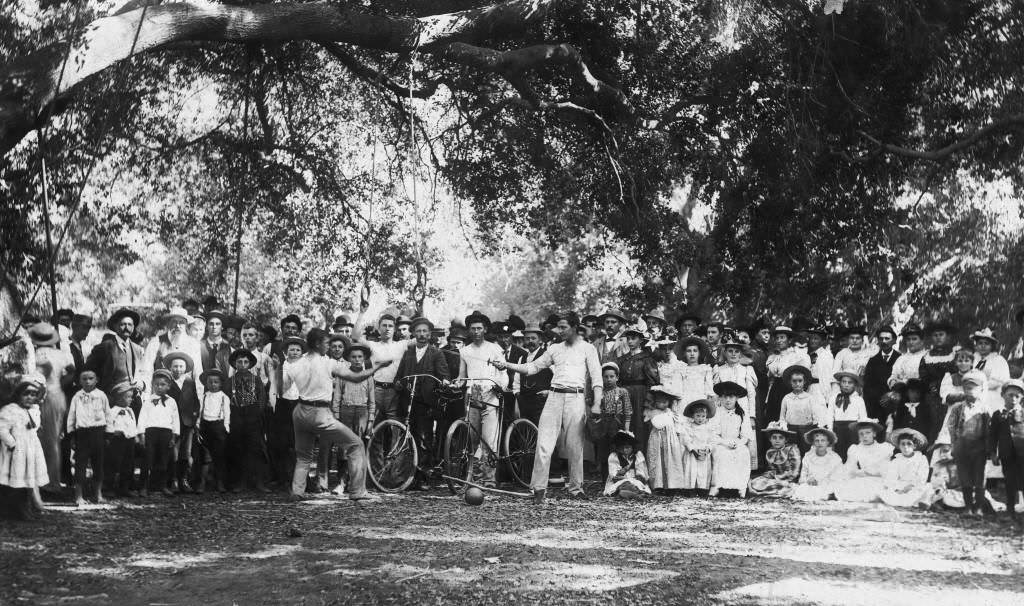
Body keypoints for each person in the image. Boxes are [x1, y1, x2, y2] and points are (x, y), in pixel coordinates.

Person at [494, 311, 603, 503]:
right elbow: (532, 367)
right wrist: (507, 365)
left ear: (575, 327)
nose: (559, 331)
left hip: (575, 398)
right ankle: (539, 489)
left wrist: (596, 403)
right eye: (558, 327)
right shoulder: (554, 348)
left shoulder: (588, 349)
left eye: (563, 327)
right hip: (553, 396)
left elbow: (596, 378)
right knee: (543, 445)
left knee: (574, 446)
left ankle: (576, 488)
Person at [282, 327, 390, 501]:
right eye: (326, 343)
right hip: (320, 413)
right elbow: (356, 377)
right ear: (317, 344)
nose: (329, 347)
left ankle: (297, 492)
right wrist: (377, 367)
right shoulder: (327, 362)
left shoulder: (296, 363)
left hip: (300, 411)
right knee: (356, 445)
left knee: (303, 456)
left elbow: (283, 389)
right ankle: (357, 491)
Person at [394, 317, 450, 489]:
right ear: (413, 334)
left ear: (430, 334)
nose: (422, 334)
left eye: (425, 331)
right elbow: (400, 374)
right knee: (408, 437)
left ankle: (423, 477)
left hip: (425, 403)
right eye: (418, 331)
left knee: (425, 439)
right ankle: (407, 476)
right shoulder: (408, 352)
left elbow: (444, 374)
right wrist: (398, 383)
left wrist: (445, 382)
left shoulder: (436, 353)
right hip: (407, 401)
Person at [28, 323, 75, 495]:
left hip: (44, 397)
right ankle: (48, 480)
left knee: (47, 440)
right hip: (57, 395)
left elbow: (44, 371)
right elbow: (71, 370)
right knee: (52, 439)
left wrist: (47, 388)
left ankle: (51, 482)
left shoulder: (38, 354)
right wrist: (60, 385)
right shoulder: (61, 354)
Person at [944, 369, 994, 516]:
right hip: (962, 446)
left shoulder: (985, 409)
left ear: (981, 389)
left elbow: (990, 430)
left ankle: (978, 507)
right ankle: (968, 508)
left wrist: (989, 449)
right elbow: (951, 426)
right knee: (964, 476)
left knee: (979, 477)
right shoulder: (958, 408)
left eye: (974, 388)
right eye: (967, 388)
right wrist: (954, 444)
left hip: (979, 447)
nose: (970, 391)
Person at [0, 375, 48, 520]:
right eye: (26, 394)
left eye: (33, 395)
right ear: (18, 394)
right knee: (14, 483)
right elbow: (1, 429)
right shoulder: (10, 410)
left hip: (30, 451)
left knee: (27, 481)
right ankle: (13, 511)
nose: (29, 397)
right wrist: (12, 443)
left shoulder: (34, 410)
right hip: (15, 453)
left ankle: (26, 509)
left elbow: (34, 427)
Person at [353, 309, 411, 423]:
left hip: (395, 392)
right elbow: (355, 336)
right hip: (376, 390)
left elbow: (421, 340)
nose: (387, 328)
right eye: (384, 325)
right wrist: (361, 313)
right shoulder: (373, 345)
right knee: (373, 426)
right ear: (379, 329)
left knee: (395, 426)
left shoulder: (402, 345)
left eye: (390, 326)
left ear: (394, 329)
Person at [87, 308, 147, 417]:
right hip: (111, 404)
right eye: (122, 324)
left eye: (130, 325)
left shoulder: (138, 350)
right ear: (115, 326)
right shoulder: (104, 348)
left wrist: (142, 384)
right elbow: (89, 374)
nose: (126, 328)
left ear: (133, 327)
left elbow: (144, 373)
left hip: (133, 404)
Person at [66, 370, 110, 506]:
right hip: (82, 434)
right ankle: (79, 496)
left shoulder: (101, 396)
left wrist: (108, 434)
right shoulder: (77, 397)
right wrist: (72, 436)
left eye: (91, 378)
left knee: (98, 464)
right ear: (80, 381)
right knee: (80, 465)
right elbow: (71, 417)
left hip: (98, 432)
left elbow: (108, 414)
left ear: (96, 380)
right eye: (84, 379)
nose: (87, 381)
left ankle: (98, 494)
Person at [228, 349, 269, 493]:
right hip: (236, 417)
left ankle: (259, 482)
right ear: (234, 364)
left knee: (256, 449)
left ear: (250, 364)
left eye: (246, 362)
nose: (243, 364)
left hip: (253, 417)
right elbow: (227, 400)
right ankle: (240, 482)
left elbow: (262, 399)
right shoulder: (230, 381)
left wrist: (257, 413)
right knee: (239, 449)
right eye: (239, 362)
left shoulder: (256, 380)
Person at [714, 338, 758, 469]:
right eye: (730, 351)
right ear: (725, 353)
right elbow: (716, 394)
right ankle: (726, 469)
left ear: (740, 354)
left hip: (742, 407)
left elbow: (751, 394)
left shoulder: (746, 370)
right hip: (724, 407)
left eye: (736, 351)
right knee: (726, 435)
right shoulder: (719, 369)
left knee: (745, 436)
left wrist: (751, 416)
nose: (733, 354)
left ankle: (746, 470)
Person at [137, 369, 180, 497]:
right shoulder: (148, 401)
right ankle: (143, 486)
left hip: (166, 433)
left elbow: (175, 419)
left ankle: (163, 486)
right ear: (152, 385)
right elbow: (142, 418)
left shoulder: (172, 402)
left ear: (168, 386)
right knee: (148, 459)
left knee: (164, 460)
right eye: (156, 384)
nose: (159, 387)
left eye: (162, 385)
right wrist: (142, 434)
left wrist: (174, 436)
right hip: (151, 433)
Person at [268, 336, 304, 490]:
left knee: (298, 443)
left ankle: (298, 479)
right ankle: (283, 477)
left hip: (300, 404)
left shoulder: (305, 367)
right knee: (282, 442)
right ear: (285, 352)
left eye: (297, 350)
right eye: (291, 350)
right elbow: (275, 388)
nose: (294, 352)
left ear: (302, 352)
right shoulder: (281, 367)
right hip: (283, 405)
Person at [616, 327, 658, 450]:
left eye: (633, 338)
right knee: (624, 424)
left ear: (640, 340)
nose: (630, 341)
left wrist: (648, 403)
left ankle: (639, 457)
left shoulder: (647, 359)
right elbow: (617, 379)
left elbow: (653, 383)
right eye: (628, 338)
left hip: (640, 395)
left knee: (639, 425)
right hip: (624, 394)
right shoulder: (622, 359)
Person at [141, 307, 202, 391]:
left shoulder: (193, 344)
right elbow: (146, 371)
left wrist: (200, 397)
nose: (177, 326)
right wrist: (147, 396)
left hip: (186, 394)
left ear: (186, 325)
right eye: (174, 322)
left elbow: (198, 372)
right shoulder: (156, 342)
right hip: (162, 393)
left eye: (181, 322)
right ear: (168, 323)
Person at [163, 352, 199, 493]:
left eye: (181, 366)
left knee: (186, 452)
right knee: (174, 453)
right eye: (175, 366)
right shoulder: (168, 382)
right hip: (173, 423)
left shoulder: (189, 381)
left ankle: (184, 479)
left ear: (185, 368)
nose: (178, 369)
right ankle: (173, 480)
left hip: (187, 422)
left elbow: (195, 401)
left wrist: (195, 416)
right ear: (170, 368)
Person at [834, 420, 893, 503]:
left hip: (878, 479)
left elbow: (886, 470)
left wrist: (869, 473)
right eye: (861, 434)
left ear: (874, 434)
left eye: (868, 433)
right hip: (862, 479)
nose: (864, 436)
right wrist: (855, 473)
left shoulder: (883, 448)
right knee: (847, 488)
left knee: (879, 491)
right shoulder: (855, 449)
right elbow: (850, 467)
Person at [711, 381, 753, 497]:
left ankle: (740, 487)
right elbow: (714, 433)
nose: (728, 400)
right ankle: (717, 486)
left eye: (731, 397)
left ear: (737, 398)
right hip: (721, 442)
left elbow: (745, 435)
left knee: (743, 452)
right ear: (721, 398)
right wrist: (724, 442)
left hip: (737, 443)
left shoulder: (742, 413)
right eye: (725, 397)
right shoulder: (717, 412)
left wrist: (738, 443)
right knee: (720, 453)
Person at [990, 379, 1024, 522]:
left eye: (1017, 396)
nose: (1014, 399)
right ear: (1003, 395)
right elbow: (993, 436)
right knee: (1010, 482)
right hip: (1006, 454)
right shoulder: (998, 414)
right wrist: (993, 453)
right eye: (1010, 395)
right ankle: (1010, 512)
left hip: (1023, 453)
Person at [764, 326, 811, 429]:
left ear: (789, 340)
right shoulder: (773, 357)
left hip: (789, 390)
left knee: (789, 420)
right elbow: (770, 379)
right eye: (777, 338)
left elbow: (804, 377)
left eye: (782, 337)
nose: (779, 341)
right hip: (774, 392)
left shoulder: (797, 356)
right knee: (773, 419)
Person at [593, 363, 632, 480]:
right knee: (604, 451)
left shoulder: (622, 392)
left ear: (617, 377)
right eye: (606, 377)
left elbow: (628, 410)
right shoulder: (600, 392)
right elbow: (595, 409)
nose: (609, 379)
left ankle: (619, 477)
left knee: (617, 450)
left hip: (617, 423)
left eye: (611, 376)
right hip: (604, 424)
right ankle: (605, 479)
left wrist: (626, 429)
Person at [645, 377, 684, 494]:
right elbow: (657, 424)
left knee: (670, 459)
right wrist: (667, 417)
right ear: (655, 401)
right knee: (658, 460)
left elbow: (677, 423)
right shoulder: (654, 412)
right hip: (658, 438)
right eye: (660, 401)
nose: (662, 404)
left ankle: (672, 485)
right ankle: (658, 484)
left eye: (665, 401)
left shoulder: (670, 412)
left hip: (670, 439)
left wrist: (677, 430)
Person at [778, 366, 827, 455]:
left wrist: (814, 429)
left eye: (800, 381)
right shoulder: (787, 398)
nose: (797, 384)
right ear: (790, 382)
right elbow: (782, 417)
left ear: (804, 382)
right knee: (792, 453)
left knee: (806, 452)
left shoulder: (810, 398)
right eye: (794, 381)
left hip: (806, 430)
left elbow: (815, 416)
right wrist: (784, 427)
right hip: (791, 430)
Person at [196, 369, 230, 493]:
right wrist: (198, 425)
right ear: (206, 383)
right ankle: (202, 483)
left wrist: (226, 428)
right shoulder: (204, 396)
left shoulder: (224, 397)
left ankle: (220, 483)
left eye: (216, 382)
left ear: (220, 383)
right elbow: (200, 412)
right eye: (210, 382)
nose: (213, 384)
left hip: (219, 427)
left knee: (219, 456)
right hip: (205, 427)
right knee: (205, 457)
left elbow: (227, 413)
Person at [880, 427, 930, 508]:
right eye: (902, 444)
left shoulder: (921, 459)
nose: (905, 447)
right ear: (899, 446)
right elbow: (891, 477)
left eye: (909, 444)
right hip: (900, 485)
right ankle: (900, 500)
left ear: (915, 446)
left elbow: (922, 476)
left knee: (927, 487)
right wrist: (897, 489)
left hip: (914, 486)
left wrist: (911, 486)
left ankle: (918, 501)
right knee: (887, 490)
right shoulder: (896, 461)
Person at [748, 421, 800, 497]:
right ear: (770, 439)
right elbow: (772, 470)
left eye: (781, 438)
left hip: (788, 479)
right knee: (756, 482)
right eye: (774, 437)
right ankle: (772, 491)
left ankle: (769, 492)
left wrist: (778, 478)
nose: (777, 440)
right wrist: (766, 476)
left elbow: (794, 472)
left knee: (788, 486)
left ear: (786, 440)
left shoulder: (792, 450)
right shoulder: (770, 452)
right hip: (776, 479)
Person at [514, 324, 553, 427]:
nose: (530, 341)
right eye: (527, 338)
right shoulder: (521, 358)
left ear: (539, 340)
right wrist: (517, 393)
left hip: (541, 403)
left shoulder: (547, 356)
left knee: (541, 430)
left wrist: (549, 392)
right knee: (525, 431)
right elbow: (517, 380)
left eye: (533, 338)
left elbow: (558, 376)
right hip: (524, 402)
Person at [790, 428, 843, 502]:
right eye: (817, 441)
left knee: (833, 490)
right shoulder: (808, 457)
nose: (820, 443)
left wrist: (823, 482)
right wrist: (808, 480)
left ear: (828, 442)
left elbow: (838, 477)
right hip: (812, 486)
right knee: (803, 490)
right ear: (813, 443)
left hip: (828, 485)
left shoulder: (835, 458)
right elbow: (803, 475)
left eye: (823, 440)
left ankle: (827, 495)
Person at [680, 399, 716, 496]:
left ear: (706, 416)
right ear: (693, 416)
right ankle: (690, 489)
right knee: (691, 470)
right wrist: (692, 449)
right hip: (693, 452)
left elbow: (712, 440)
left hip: (703, 452)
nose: (700, 419)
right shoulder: (689, 427)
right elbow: (685, 439)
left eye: (703, 416)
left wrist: (708, 449)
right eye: (698, 416)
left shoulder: (709, 428)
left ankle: (702, 489)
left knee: (703, 471)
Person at [862, 326, 899, 420]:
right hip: (876, 407)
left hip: (896, 405)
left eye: (887, 338)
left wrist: (891, 396)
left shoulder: (900, 359)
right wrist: (881, 398)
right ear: (878, 341)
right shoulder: (872, 361)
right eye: (881, 338)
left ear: (894, 340)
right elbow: (867, 386)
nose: (884, 341)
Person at [829, 371, 868, 459]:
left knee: (852, 456)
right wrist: (830, 432)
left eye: (850, 382)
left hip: (853, 432)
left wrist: (862, 434)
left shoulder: (858, 400)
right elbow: (830, 416)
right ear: (840, 383)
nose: (846, 385)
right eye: (844, 382)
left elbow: (863, 418)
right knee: (839, 455)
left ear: (854, 385)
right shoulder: (833, 398)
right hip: (838, 430)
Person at [603, 430, 650, 498]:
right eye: (622, 448)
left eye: (627, 447)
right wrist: (623, 471)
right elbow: (613, 475)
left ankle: (631, 493)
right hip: (619, 481)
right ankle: (635, 494)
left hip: (635, 480)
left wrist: (636, 477)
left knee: (634, 485)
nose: (625, 450)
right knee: (624, 485)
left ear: (632, 447)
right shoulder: (614, 456)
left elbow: (642, 473)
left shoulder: (638, 455)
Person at [830, 326, 872, 395]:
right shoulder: (842, 353)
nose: (854, 341)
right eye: (852, 338)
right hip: (844, 390)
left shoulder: (868, 354)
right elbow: (834, 375)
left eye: (858, 338)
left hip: (862, 391)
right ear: (848, 339)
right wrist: (836, 393)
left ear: (862, 340)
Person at [972, 328, 1010, 395]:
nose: (983, 346)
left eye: (986, 343)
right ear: (976, 345)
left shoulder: (999, 360)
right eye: (980, 343)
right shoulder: (971, 358)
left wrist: (982, 385)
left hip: (992, 394)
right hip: (972, 393)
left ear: (992, 346)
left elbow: (1003, 381)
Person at [677, 337, 714, 405]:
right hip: (685, 402)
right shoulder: (681, 370)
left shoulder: (705, 369)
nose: (692, 354)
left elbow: (709, 390)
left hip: (701, 401)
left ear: (699, 353)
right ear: (684, 353)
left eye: (695, 351)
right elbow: (678, 390)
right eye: (689, 351)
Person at [888, 323, 926, 389]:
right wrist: (892, 381)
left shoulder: (926, 356)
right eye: (908, 339)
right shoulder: (901, 359)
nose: (911, 342)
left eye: (914, 339)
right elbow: (893, 375)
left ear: (921, 341)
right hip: (902, 392)